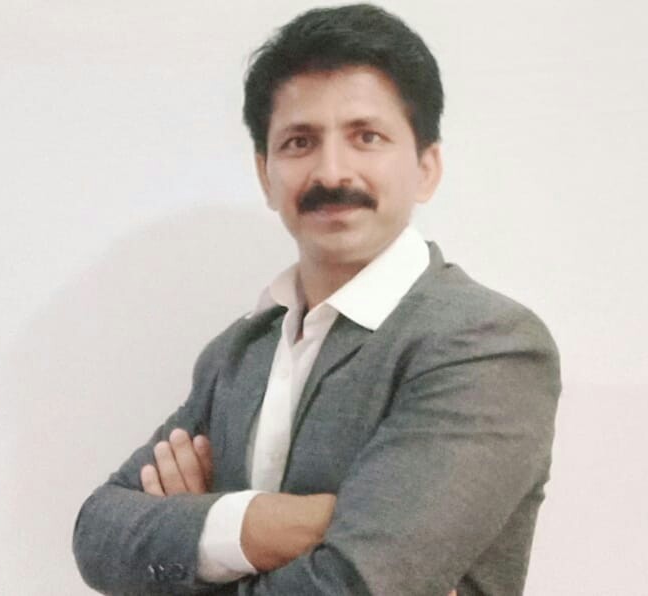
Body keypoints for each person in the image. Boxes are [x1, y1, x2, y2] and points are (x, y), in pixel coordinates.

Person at [71, 4, 561, 594]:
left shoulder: (487, 345)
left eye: (367, 137)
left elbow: (352, 585)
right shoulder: (238, 355)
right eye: (300, 142)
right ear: (266, 174)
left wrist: (195, 538)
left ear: (426, 167)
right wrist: (254, 526)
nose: (332, 172)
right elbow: (97, 533)